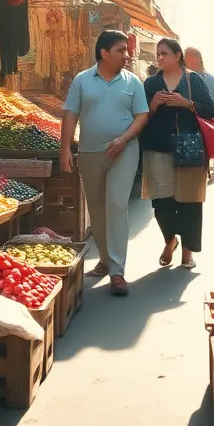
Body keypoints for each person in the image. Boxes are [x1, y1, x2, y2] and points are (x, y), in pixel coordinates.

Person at [59, 30, 149, 296]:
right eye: (121, 50)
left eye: (127, 50)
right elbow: (70, 114)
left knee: (117, 204)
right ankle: (105, 260)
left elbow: (142, 116)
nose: (127, 54)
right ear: (104, 53)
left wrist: (123, 139)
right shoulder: (82, 80)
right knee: (96, 209)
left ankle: (117, 271)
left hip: (124, 150)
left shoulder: (133, 82)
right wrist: (65, 148)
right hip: (89, 153)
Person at [141, 38, 214, 270]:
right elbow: (141, 115)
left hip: (190, 149)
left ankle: (187, 252)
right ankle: (170, 240)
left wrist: (187, 103)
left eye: (164, 53)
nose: (160, 57)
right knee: (162, 201)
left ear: (177, 55)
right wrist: (153, 105)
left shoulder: (193, 80)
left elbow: (210, 110)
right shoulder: (151, 83)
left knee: (190, 202)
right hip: (158, 148)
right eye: (158, 54)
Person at [185, 48, 214, 183]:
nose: (189, 60)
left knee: (212, 146)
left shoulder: (210, 79)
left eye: (192, 56)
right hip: (191, 121)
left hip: (210, 118)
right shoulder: (182, 77)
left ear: (198, 58)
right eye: (187, 57)